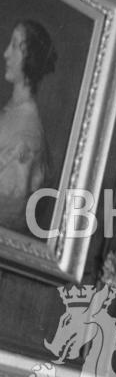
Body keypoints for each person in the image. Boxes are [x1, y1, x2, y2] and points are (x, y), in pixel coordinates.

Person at [0, 20, 56, 233]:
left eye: (14, 46)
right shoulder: (14, 109)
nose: (6, 54)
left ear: (29, 58)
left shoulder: (27, 130)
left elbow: (12, 213)